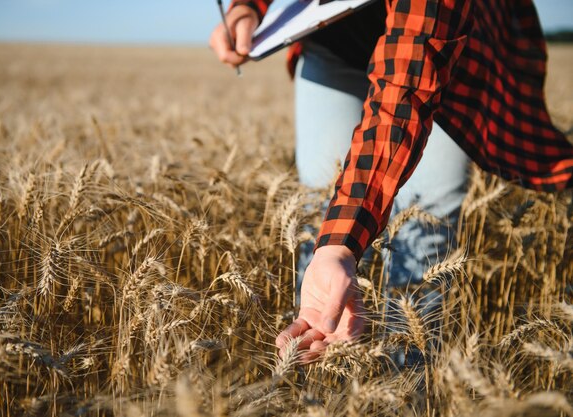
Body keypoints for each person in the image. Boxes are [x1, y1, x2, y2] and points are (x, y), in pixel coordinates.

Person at [209, 0, 573, 361]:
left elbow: (406, 88)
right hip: (330, 38)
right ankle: (317, 385)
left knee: (425, 221)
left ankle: (410, 383)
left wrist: (339, 245)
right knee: (315, 215)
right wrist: (246, 7)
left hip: (444, 55)